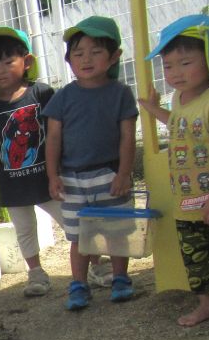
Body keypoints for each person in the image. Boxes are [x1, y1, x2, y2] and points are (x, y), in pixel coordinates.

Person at [138, 14, 209, 328]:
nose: (176, 73)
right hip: (188, 199)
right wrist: (157, 111)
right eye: (168, 66)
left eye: (185, 63)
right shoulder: (179, 99)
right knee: (197, 257)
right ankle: (207, 303)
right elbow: (184, 128)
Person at [42, 16, 138, 310]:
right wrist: (52, 176)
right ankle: (79, 284)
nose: (85, 59)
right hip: (72, 179)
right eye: (78, 53)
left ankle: (120, 278)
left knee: (117, 231)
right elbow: (53, 139)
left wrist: (123, 173)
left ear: (114, 56)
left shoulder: (120, 93)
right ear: (68, 59)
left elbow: (127, 137)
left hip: (110, 174)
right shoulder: (63, 97)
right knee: (79, 237)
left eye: (96, 51)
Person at [0, 26, 64, 297]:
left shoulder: (42, 93)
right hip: (13, 184)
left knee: (72, 220)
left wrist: (55, 172)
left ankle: (95, 262)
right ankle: (36, 273)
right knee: (25, 230)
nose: (1, 70)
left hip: (49, 178)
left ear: (26, 62)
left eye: (7, 61)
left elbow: (55, 135)